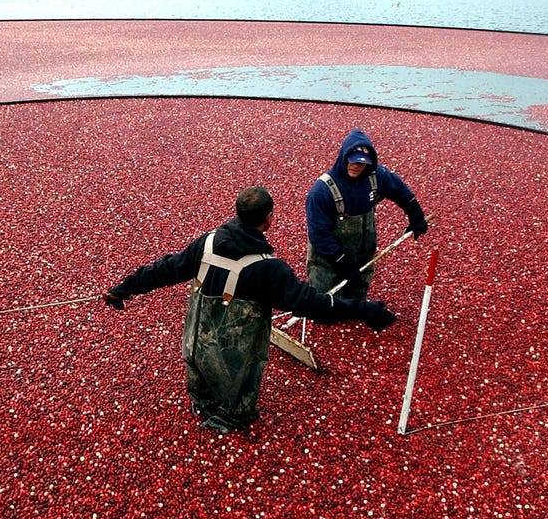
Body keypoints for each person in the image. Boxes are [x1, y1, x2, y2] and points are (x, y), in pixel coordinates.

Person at [102, 186, 397, 435]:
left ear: (237, 213)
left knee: (200, 372)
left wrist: (125, 287)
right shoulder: (269, 269)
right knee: (239, 385)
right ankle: (233, 419)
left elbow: (165, 269)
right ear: (268, 218)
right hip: (236, 352)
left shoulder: (207, 243)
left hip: (196, 342)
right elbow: (313, 304)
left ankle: (202, 403)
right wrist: (363, 309)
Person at [305, 129, 428, 301]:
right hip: (327, 258)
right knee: (326, 305)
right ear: (343, 157)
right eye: (353, 161)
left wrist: (416, 216)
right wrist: (341, 260)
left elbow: (401, 192)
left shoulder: (377, 177)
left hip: (362, 253)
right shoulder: (323, 190)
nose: (356, 166)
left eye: (362, 163)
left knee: (357, 300)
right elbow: (318, 234)